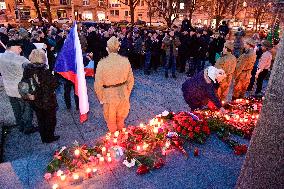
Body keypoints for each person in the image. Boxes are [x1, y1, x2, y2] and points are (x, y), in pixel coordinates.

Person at [94, 36, 134, 133]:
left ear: (107, 49)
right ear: (118, 48)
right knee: (121, 119)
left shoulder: (102, 63)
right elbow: (131, 80)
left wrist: (101, 97)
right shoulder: (125, 61)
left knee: (111, 120)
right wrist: (127, 93)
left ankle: (114, 140)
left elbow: (98, 84)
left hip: (109, 96)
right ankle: (121, 139)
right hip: (123, 94)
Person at [23, 49, 59, 143]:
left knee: (40, 119)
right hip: (47, 101)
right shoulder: (45, 72)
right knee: (50, 120)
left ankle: (44, 137)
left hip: (35, 100)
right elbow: (54, 85)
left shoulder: (27, 70)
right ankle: (49, 137)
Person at [0, 40, 36, 134]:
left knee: (16, 110)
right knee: (27, 109)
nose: (20, 50)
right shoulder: (21, 60)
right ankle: (28, 128)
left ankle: (20, 126)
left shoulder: (0, 56)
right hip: (22, 90)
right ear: (12, 47)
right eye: (19, 48)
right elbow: (32, 70)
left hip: (9, 89)